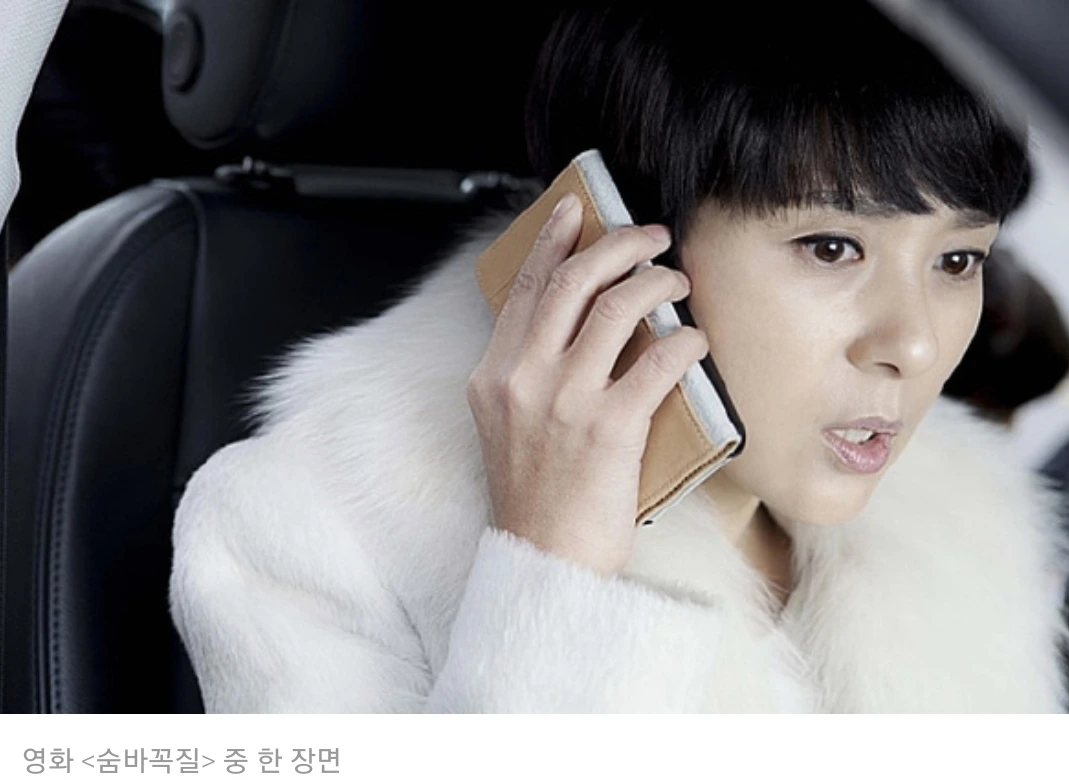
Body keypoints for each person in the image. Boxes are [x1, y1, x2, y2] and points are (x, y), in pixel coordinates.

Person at [168, 1, 1069, 712]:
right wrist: (551, 572)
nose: (914, 344)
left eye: (958, 260)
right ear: (628, 243)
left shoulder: (973, 535)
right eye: (830, 247)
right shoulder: (303, 527)